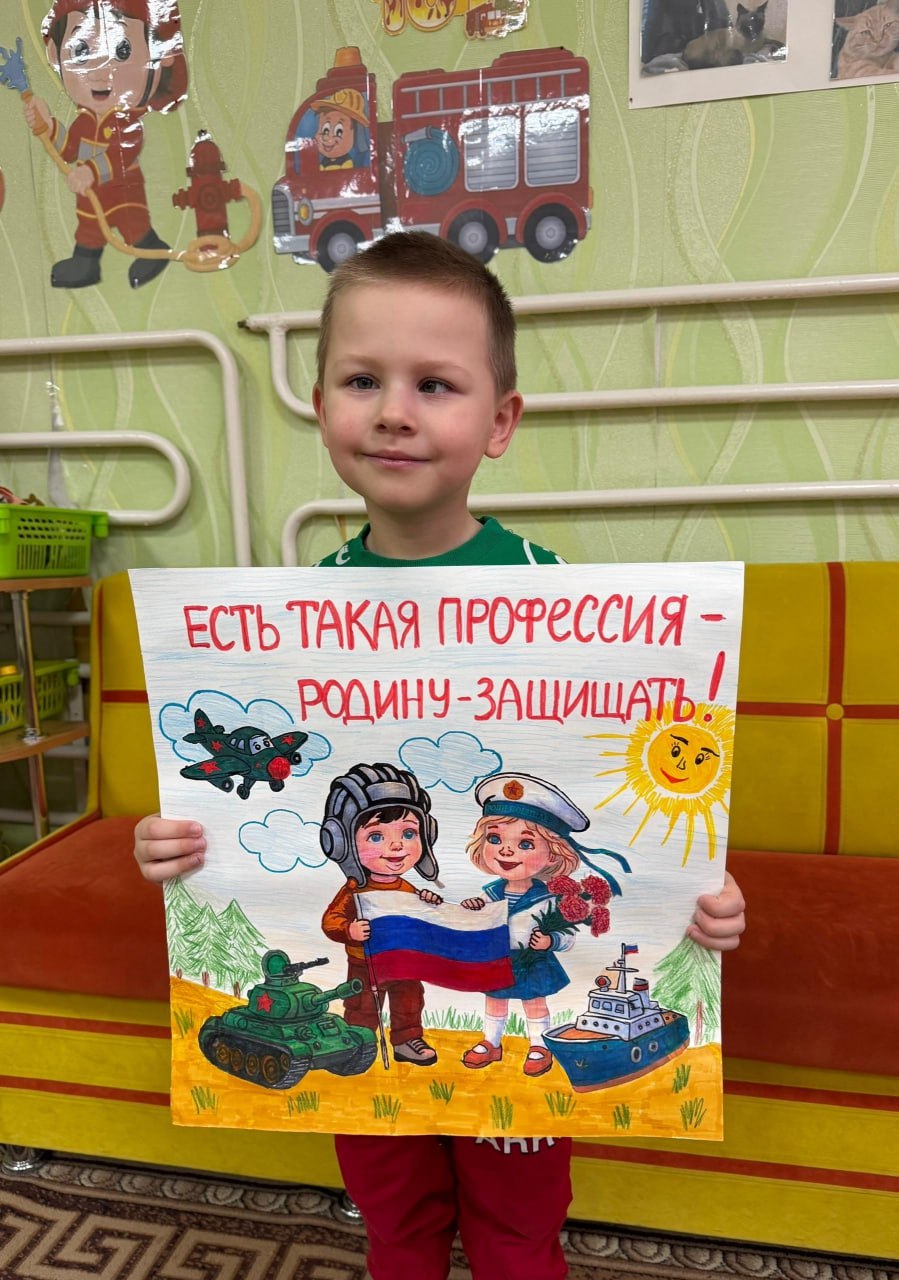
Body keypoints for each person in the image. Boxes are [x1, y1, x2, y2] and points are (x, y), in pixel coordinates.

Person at [133, 229, 747, 1280]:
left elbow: (644, 815)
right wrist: (180, 846)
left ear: (498, 420)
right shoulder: (285, 620)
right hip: (379, 1015)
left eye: (435, 383)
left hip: (519, 1012)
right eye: (360, 379)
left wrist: (697, 897)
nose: (393, 411)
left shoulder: (569, 603)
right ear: (318, 404)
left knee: (516, 1230)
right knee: (395, 1224)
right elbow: (233, 814)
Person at [461, 771, 627, 1079]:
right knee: (494, 1000)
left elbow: (568, 936)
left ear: (552, 855)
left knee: (534, 1003)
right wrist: (473, 908)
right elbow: (476, 920)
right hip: (497, 958)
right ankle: (491, 1042)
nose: (506, 851)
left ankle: (539, 1046)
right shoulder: (491, 893)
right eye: (494, 839)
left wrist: (550, 942)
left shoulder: (550, 897)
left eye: (525, 843)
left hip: (534, 961)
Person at [23, 0, 188, 289]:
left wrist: (89, 171)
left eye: (123, 50)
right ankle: (85, 262)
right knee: (89, 229)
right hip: (91, 197)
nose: (100, 73)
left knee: (133, 225)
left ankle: (150, 250)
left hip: (123, 193)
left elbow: (120, 154)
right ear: (56, 54)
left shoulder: (127, 124)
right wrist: (48, 125)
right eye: (81, 51)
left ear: (159, 54)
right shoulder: (84, 122)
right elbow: (68, 150)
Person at [319, 762, 443, 1066]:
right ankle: (357, 1042)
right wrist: (349, 930)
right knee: (362, 1006)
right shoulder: (354, 889)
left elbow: (420, 920)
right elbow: (331, 921)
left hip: (403, 962)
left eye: (409, 833)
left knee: (409, 1001)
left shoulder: (407, 889)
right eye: (376, 836)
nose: (397, 845)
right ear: (341, 842)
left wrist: (427, 902)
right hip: (366, 964)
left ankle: (406, 1040)